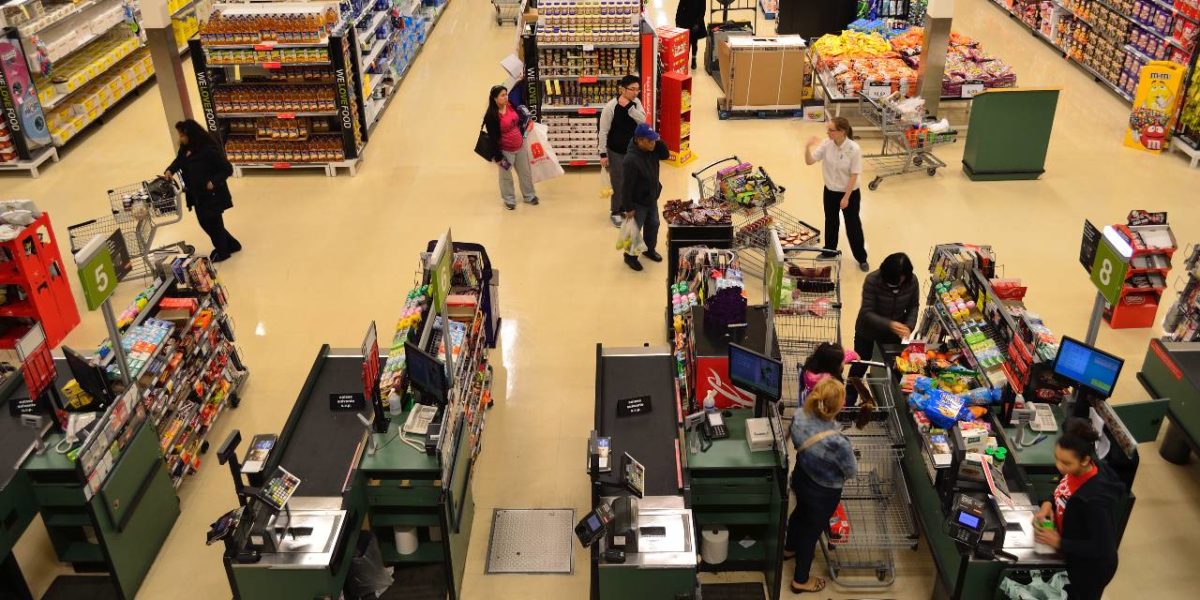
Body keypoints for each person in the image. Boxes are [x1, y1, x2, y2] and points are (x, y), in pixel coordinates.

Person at [1033, 419, 1123, 600]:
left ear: (1085, 460)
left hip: (1089, 572)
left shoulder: (1095, 501)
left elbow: (1102, 549)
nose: (1059, 466)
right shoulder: (1074, 471)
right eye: (1057, 458)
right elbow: (1063, 489)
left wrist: (1059, 542)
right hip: (1070, 552)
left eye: (1065, 463)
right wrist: (1049, 503)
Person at [785, 378, 856, 594]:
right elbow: (851, 471)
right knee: (811, 533)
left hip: (801, 476)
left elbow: (794, 443)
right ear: (840, 406)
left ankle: (788, 548)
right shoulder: (838, 442)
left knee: (799, 513)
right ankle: (800, 580)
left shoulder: (799, 415)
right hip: (823, 492)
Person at [162, 120, 241, 262]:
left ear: (191, 135)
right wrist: (170, 170)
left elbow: (227, 169)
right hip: (197, 194)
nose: (180, 138)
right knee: (205, 222)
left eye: (182, 135)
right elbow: (179, 160)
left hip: (212, 194)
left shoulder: (208, 149)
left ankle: (223, 252)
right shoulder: (186, 148)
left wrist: (213, 182)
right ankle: (232, 244)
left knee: (214, 223)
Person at [846, 253, 919, 405]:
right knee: (860, 365)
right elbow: (867, 312)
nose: (896, 286)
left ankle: (887, 405)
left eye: (899, 282)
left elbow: (913, 306)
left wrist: (909, 326)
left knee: (892, 368)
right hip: (867, 331)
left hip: (892, 335)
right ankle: (848, 401)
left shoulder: (912, 282)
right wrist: (890, 324)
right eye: (892, 283)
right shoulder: (872, 280)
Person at [805, 117, 867, 271]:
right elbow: (810, 161)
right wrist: (807, 147)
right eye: (828, 129)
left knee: (853, 225)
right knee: (831, 221)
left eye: (831, 130)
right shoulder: (827, 144)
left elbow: (854, 174)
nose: (828, 132)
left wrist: (846, 197)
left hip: (849, 193)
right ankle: (829, 251)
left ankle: (861, 257)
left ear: (842, 132)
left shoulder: (854, 149)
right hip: (830, 191)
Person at [619, 123, 669, 272]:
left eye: (654, 140)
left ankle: (649, 249)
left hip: (651, 197)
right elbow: (625, 187)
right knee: (634, 229)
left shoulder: (652, 149)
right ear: (639, 140)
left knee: (653, 224)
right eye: (650, 141)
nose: (653, 143)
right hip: (637, 202)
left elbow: (666, 155)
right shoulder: (630, 160)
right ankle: (630, 256)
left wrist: (657, 140)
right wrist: (628, 207)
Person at [599, 75, 646, 227]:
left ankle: (628, 208)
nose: (635, 92)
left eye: (637, 89)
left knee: (633, 180)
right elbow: (603, 131)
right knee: (618, 182)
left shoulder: (636, 103)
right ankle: (615, 211)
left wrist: (629, 107)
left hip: (634, 150)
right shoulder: (610, 107)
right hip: (616, 151)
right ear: (622, 89)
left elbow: (643, 120)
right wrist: (603, 153)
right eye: (632, 89)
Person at [483, 84, 538, 210]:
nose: (506, 97)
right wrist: (498, 157)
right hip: (505, 151)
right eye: (502, 95)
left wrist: (520, 80)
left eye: (506, 94)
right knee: (506, 177)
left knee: (525, 173)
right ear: (495, 98)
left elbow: (519, 117)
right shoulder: (491, 116)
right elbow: (492, 139)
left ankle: (529, 196)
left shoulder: (511, 105)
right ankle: (509, 200)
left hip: (520, 147)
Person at [674, 0, 706, 70]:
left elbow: (702, 11)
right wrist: (677, 21)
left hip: (696, 22)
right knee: (686, 43)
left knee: (694, 42)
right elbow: (680, 8)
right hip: (685, 21)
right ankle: (685, 59)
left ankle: (693, 59)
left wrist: (697, 23)